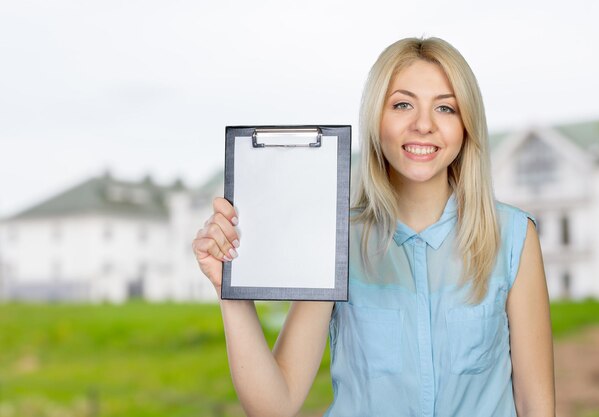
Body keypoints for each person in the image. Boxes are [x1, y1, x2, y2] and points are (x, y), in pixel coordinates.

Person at [192, 37, 555, 417]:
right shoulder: (336, 240)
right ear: (376, 119)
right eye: (402, 104)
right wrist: (229, 289)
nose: (424, 125)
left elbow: (537, 406)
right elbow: (273, 406)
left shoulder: (513, 236)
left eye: (445, 107)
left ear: (466, 125)